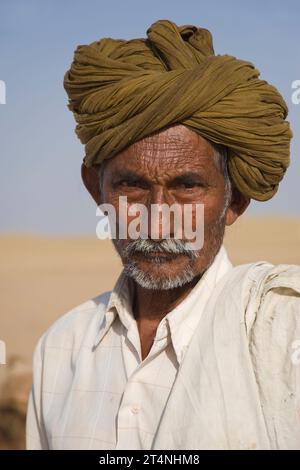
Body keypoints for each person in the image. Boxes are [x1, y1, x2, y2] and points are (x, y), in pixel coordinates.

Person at [26, 20, 300, 450]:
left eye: (187, 187)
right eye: (131, 186)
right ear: (95, 188)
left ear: (235, 202)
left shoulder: (282, 328)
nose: (157, 219)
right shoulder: (60, 351)